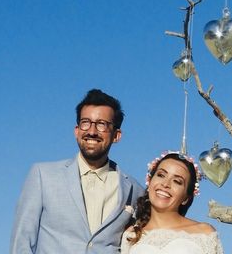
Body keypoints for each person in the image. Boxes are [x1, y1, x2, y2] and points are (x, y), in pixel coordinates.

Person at [10, 89, 144, 254]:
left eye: (102, 124)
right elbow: (21, 241)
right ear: (76, 130)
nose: (92, 131)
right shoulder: (43, 176)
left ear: (116, 135)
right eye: (85, 122)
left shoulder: (134, 190)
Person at [121, 151, 224, 254]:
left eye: (177, 181)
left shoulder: (204, 233)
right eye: (161, 175)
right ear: (149, 181)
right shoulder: (131, 235)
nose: (165, 184)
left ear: (186, 198)